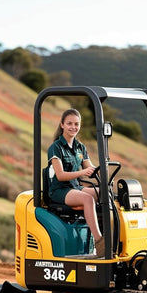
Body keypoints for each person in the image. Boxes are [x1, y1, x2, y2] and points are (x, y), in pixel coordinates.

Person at [47, 108, 105, 257]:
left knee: (104, 193)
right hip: (60, 191)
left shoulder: (80, 147)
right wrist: (82, 173)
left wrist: (103, 168)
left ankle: (109, 235)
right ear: (62, 125)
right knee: (87, 199)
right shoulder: (55, 148)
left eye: (76, 124)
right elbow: (60, 175)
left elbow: (90, 168)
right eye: (69, 123)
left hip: (75, 187)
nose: (73, 127)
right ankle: (100, 243)